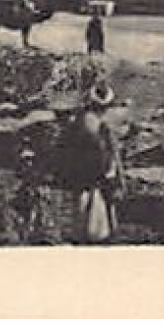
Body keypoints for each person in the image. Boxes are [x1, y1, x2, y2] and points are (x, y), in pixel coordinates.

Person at [58, 81, 124, 243]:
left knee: (82, 212)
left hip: (83, 177)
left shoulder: (78, 124)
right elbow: (110, 154)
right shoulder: (101, 127)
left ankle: (83, 237)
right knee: (97, 219)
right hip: (97, 177)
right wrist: (115, 176)